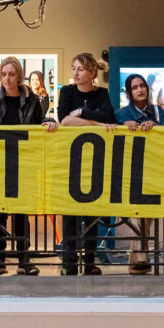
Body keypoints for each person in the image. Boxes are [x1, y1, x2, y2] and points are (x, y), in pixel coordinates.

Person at [0, 56, 57, 276]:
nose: (7, 78)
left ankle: (23, 260)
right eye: (3, 74)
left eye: (11, 74)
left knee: (21, 214)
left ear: (19, 76)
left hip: (23, 163)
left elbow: (39, 122)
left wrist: (48, 122)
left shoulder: (31, 100)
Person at [56, 52, 118, 275]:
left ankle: (90, 261)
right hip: (70, 159)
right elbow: (64, 120)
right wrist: (96, 123)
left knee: (92, 211)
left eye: (80, 69)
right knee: (70, 213)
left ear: (92, 73)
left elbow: (110, 117)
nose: (75, 73)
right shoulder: (67, 91)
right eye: (73, 68)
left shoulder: (101, 93)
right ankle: (69, 261)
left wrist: (82, 113)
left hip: (95, 159)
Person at [115, 73, 164, 274]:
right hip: (131, 168)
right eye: (135, 87)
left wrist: (155, 127)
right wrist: (123, 126)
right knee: (137, 212)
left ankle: (135, 260)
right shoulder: (121, 114)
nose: (140, 89)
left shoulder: (158, 112)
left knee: (149, 213)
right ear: (129, 93)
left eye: (142, 85)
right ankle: (143, 256)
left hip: (154, 167)